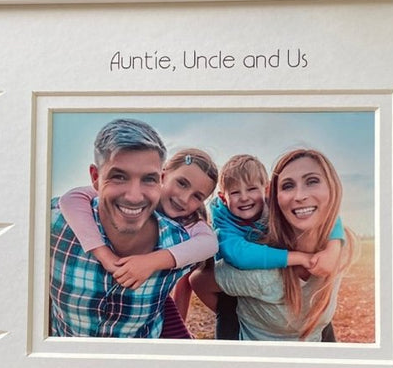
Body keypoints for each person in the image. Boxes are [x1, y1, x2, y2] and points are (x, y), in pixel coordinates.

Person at [48, 118, 191, 338]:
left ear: (161, 180)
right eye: (119, 177)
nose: (134, 196)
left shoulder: (181, 243)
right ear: (95, 178)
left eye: (149, 179)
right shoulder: (53, 225)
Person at [196, 148, 354, 342]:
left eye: (252, 189)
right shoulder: (225, 229)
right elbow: (239, 256)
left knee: (319, 321)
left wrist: (333, 246)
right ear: (223, 198)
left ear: (267, 190)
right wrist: (297, 258)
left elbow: (327, 214)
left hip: (305, 318)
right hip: (236, 278)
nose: (244, 197)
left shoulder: (274, 207)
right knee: (228, 314)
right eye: (235, 192)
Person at [57, 147, 219, 334]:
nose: (184, 198)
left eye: (197, 196)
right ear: (163, 176)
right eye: (182, 183)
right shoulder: (134, 194)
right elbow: (72, 198)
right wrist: (103, 254)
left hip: (153, 299)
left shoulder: (188, 222)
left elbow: (209, 244)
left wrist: (150, 263)